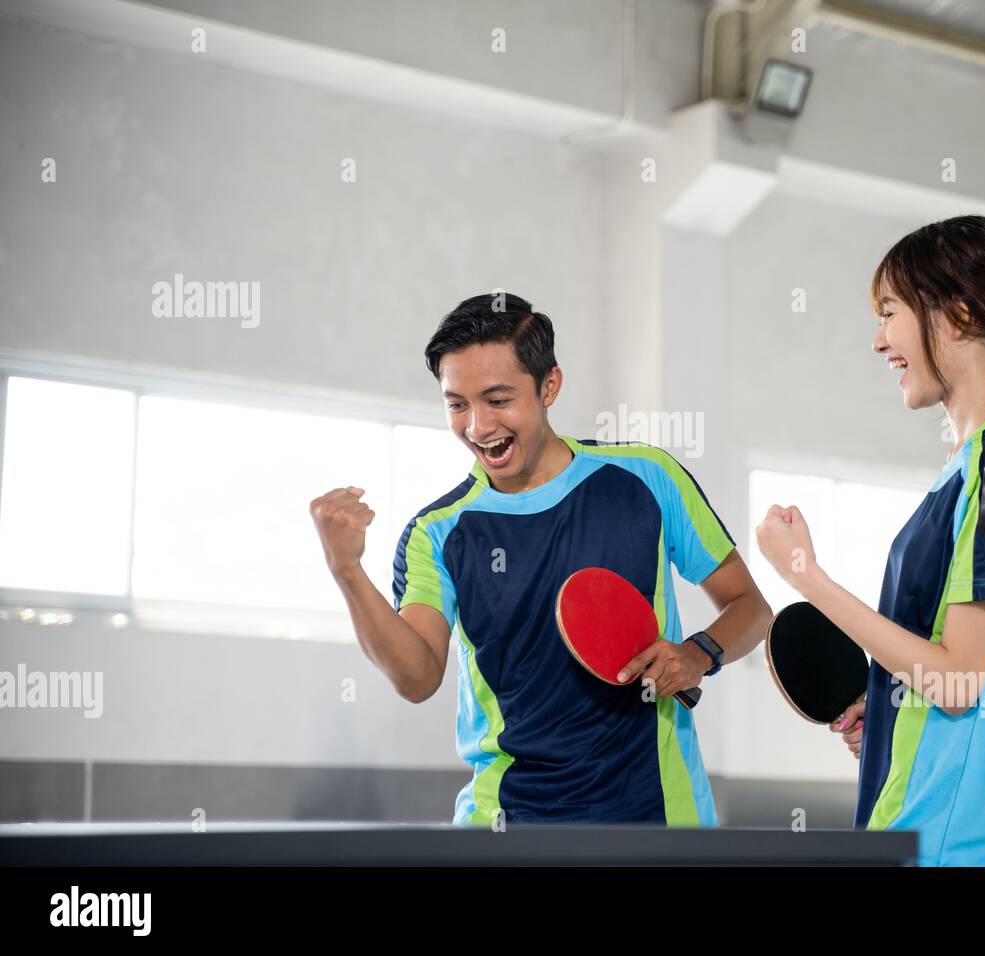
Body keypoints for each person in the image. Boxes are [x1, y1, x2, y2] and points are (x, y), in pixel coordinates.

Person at [311, 292, 771, 826]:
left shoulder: (647, 478)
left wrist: (698, 654)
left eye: (497, 399)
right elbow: (416, 679)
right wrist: (347, 572)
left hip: (661, 819)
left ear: (549, 385)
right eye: (457, 404)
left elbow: (752, 608)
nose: (478, 426)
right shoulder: (436, 533)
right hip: (507, 826)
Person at [756, 215, 985, 866]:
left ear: (958, 314)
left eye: (889, 312)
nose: (878, 340)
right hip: (919, 822)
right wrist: (900, 708)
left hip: (947, 839)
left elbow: (959, 679)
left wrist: (807, 577)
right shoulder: (981, 472)